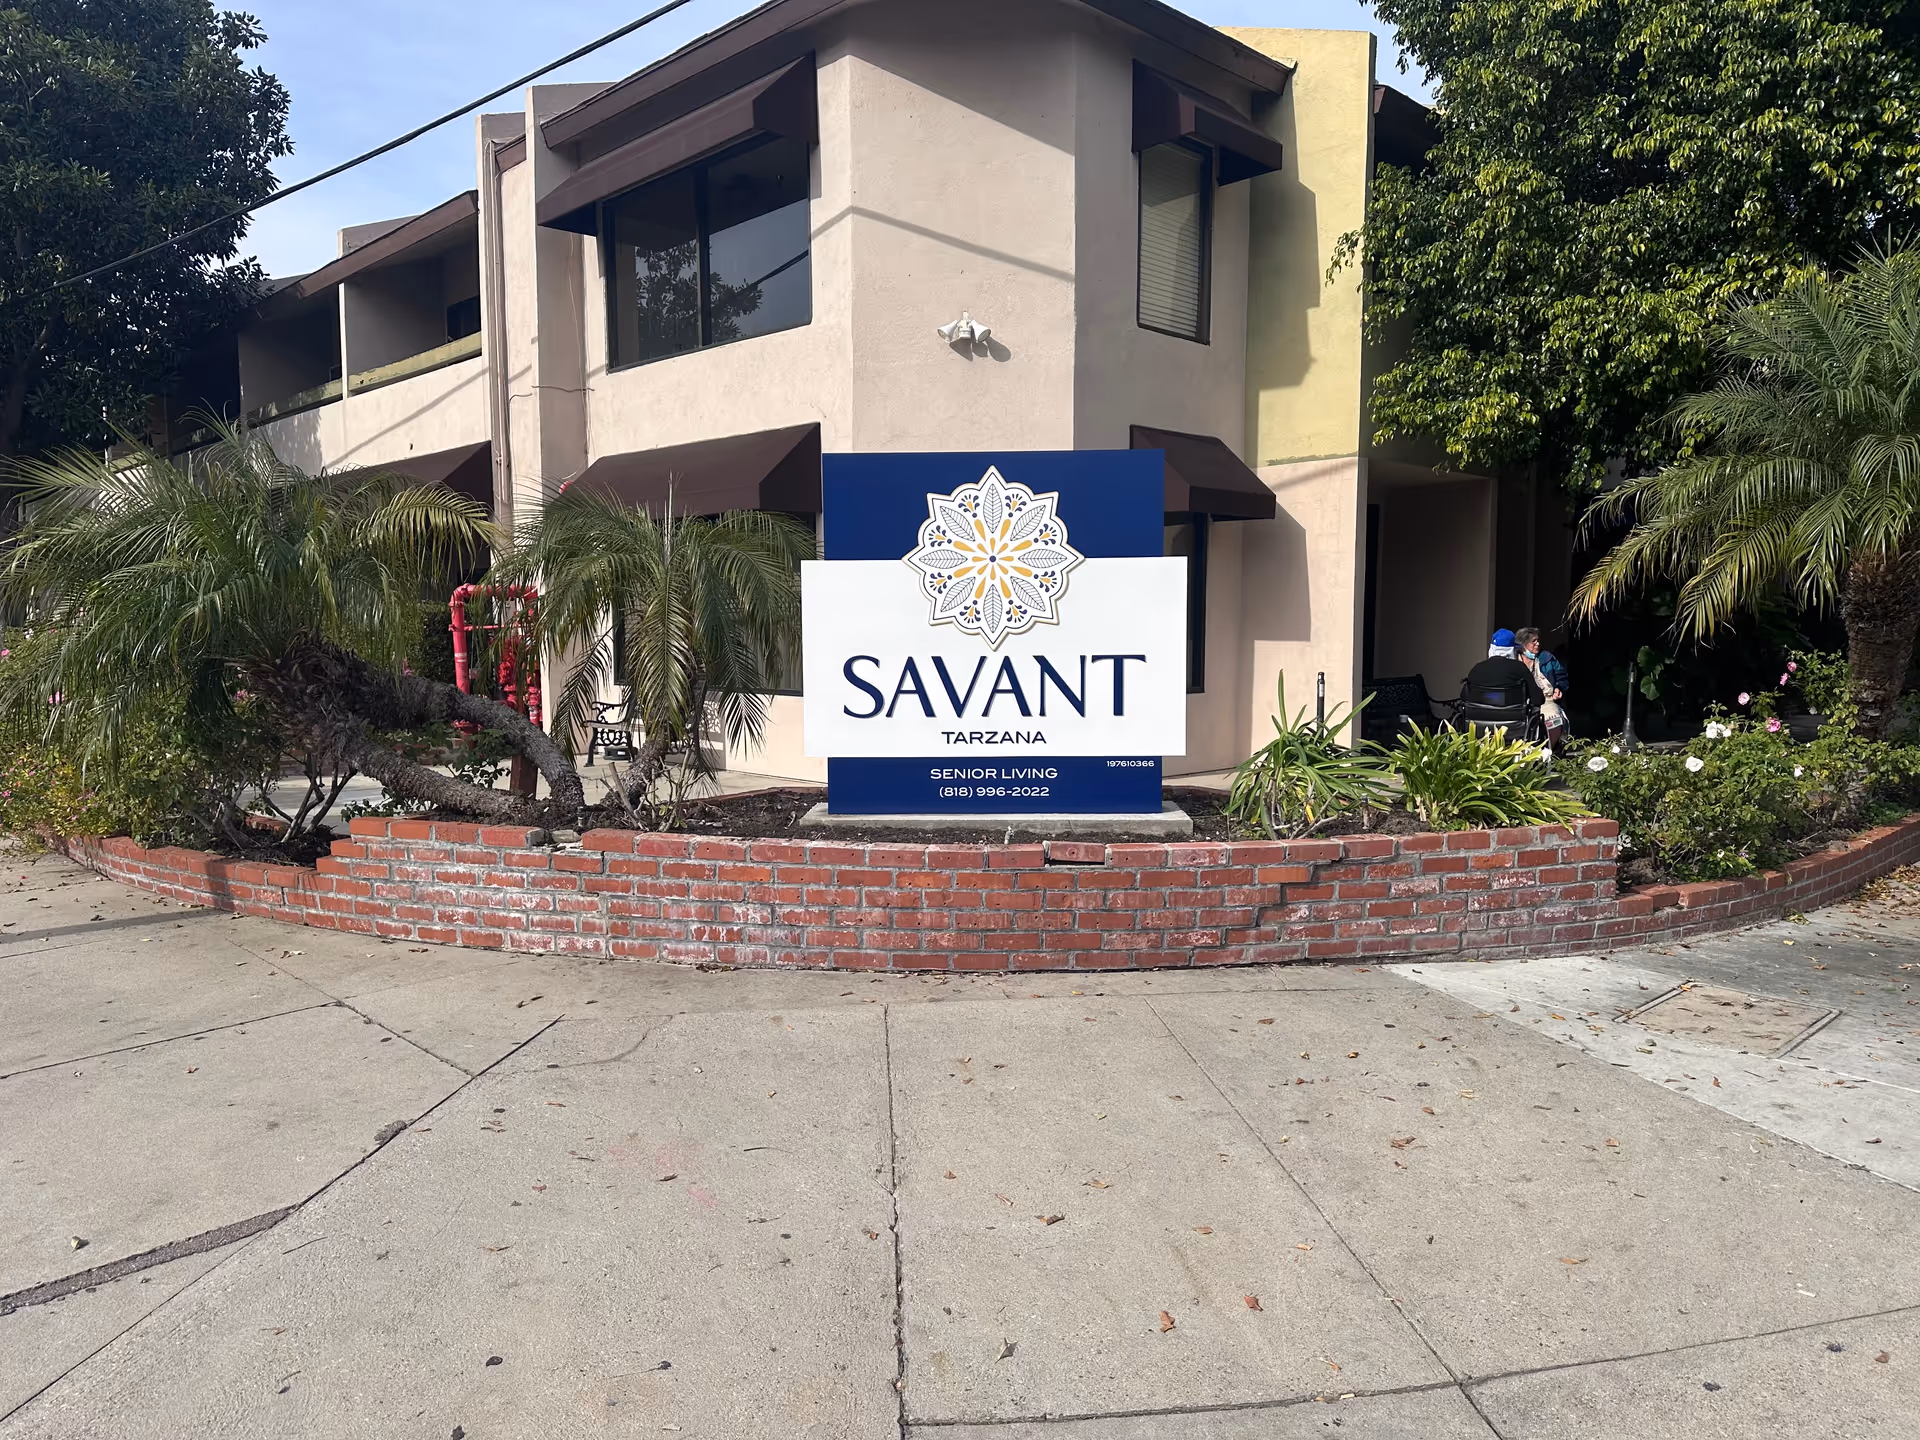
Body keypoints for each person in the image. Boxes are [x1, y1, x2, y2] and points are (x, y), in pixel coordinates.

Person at [1514, 626, 1569, 747]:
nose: (1537, 644)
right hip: (1520, 702)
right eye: (1533, 641)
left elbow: (1562, 676)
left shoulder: (1547, 658)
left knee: (1555, 721)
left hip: (1546, 700)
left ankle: (1548, 750)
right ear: (1523, 644)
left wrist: (1558, 688)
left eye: (1538, 640)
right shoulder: (1514, 660)